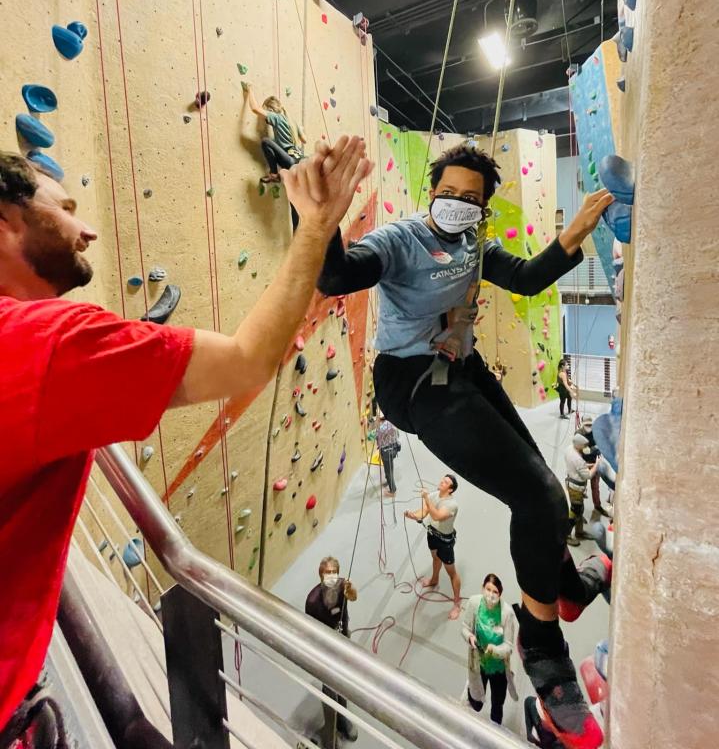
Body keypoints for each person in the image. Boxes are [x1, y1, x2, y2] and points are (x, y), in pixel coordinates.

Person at [0, 137, 372, 739]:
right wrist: (317, 226)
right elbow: (248, 362)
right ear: (5, 219)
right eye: (65, 207)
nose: (88, 228)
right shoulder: (44, 347)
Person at [317, 140, 613, 748]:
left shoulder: (473, 244)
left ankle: (564, 587)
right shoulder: (400, 242)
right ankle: (543, 650)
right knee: (535, 497)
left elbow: (527, 280)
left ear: (482, 210)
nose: (455, 205)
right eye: (447, 193)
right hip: (413, 383)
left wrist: (575, 230)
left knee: (544, 486)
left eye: (469, 200)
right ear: (432, 192)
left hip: (462, 367)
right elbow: (338, 275)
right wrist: (323, 218)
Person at [305, 557, 358, 746]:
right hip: (325, 649)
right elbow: (310, 632)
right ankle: (329, 729)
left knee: (343, 683)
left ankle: (342, 719)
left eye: (334, 572)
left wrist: (351, 591)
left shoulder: (343, 585)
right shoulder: (312, 602)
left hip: (343, 642)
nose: (332, 576)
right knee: (330, 688)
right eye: (327, 573)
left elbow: (353, 596)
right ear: (321, 576)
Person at [461, 574, 517, 725]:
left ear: (500, 594)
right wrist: (470, 637)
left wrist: (495, 650)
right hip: (479, 663)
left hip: (498, 668)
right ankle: (470, 691)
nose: (491, 594)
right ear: (483, 588)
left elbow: (509, 647)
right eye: (488, 589)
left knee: (497, 705)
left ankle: (495, 731)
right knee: (476, 703)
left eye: (495, 592)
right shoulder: (474, 603)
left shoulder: (507, 613)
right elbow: (465, 628)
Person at [404, 474, 462, 619]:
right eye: (442, 479)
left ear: (450, 489)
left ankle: (457, 604)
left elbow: (436, 516)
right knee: (435, 558)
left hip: (445, 541)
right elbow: (424, 512)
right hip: (432, 534)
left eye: (445, 482)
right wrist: (413, 515)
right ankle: (434, 579)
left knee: (451, 572)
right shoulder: (434, 495)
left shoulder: (452, 505)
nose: (441, 482)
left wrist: (425, 498)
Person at [244, 82, 307, 184]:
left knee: (266, 142)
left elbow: (255, 108)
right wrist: (301, 129)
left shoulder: (276, 117)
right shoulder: (292, 121)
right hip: (302, 161)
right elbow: (305, 140)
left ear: (270, 110)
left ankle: (274, 175)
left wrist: (250, 89)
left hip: (291, 162)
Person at [577, 417, 614, 521]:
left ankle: (597, 506)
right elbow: (584, 451)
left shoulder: (596, 432)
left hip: (595, 463)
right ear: (582, 424)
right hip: (583, 463)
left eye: (590, 425)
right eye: (587, 425)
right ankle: (579, 513)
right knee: (580, 488)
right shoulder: (579, 434)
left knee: (595, 487)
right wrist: (594, 448)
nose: (589, 427)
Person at [564, 434, 598, 546]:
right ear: (579, 446)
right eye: (584, 446)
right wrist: (596, 465)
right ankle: (567, 535)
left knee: (579, 510)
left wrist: (587, 465)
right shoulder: (578, 459)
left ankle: (579, 532)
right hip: (576, 488)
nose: (585, 448)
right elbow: (588, 475)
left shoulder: (569, 449)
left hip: (571, 482)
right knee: (575, 511)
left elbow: (576, 466)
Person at [375, 415, 400, 495]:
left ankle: (393, 490)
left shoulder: (382, 428)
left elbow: (374, 437)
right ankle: (388, 480)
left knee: (388, 470)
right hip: (394, 449)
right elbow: (398, 435)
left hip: (386, 452)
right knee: (390, 467)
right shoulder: (393, 423)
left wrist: (368, 426)